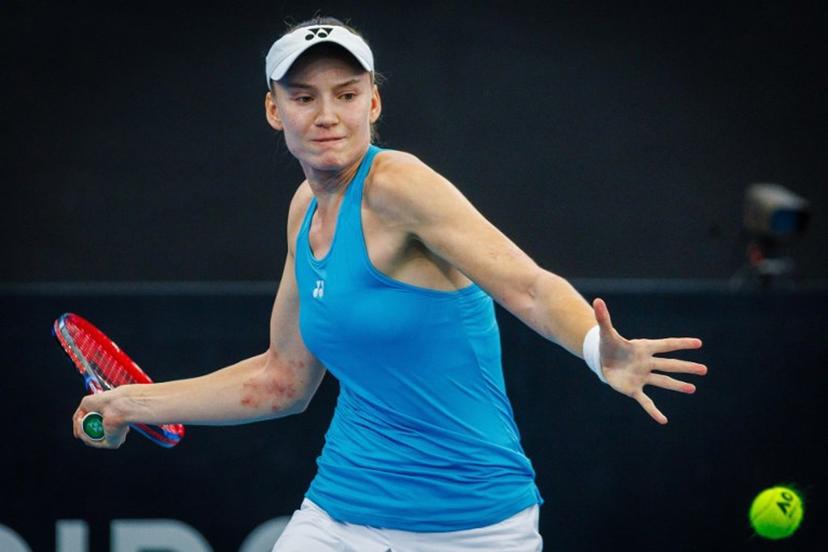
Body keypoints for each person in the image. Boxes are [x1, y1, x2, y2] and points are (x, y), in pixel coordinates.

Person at [72, 17, 707, 551]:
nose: (327, 115)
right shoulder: (304, 209)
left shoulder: (398, 183)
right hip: (340, 516)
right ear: (274, 109)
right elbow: (281, 381)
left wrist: (600, 353)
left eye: (347, 95)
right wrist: (131, 403)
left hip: (473, 528)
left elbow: (528, 287)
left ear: (373, 102)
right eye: (303, 97)